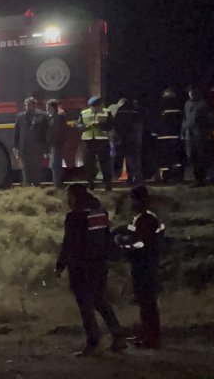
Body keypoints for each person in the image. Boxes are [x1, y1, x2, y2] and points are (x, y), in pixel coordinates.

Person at [56, 184, 125, 357]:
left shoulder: (74, 217)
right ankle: (118, 336)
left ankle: (93, 343)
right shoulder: (100, 212)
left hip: (81, 266)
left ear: (75, 198)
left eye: (69, 197)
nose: (67, 201)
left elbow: (70, 244)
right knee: (99, 300)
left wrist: (60, 264)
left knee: (85, 305)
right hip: (99, 265)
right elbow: (107, 238)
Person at [114, 186, 165, 348]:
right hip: (146, 263)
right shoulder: (145, 217)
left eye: (133, 199)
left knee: (147, 302)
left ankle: (151, 337)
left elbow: (141, 243)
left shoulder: (147, 219)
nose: (131, 202)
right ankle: (147, 333)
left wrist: (123, 245)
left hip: (145, 265)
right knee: (145, 302)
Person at [181, 85, 214, 186]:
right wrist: (183, 132)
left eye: (193, 91)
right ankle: (196, 178)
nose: (191, 93)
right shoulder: (187, 104)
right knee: (192, 157)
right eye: (189, 92)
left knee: (201, 157)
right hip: (189, 136)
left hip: (200, 135)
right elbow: (185, 119)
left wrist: (209, 131)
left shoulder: (204, 104)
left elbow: (212, 118)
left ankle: (202, 179)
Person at [77, 96, 114, 191]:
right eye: (93, 107)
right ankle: (90, 183)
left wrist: (100, 125)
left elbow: (110, 125)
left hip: (102, 141)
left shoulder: (107, 112)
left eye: (98, 106)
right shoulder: (84, 113)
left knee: (105, 164)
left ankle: (108, 184)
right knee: (89, 164)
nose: (96, 109)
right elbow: (78, 125)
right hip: (88, 141)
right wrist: (86, 126)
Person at [12, 97, 51, 186]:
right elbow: (16, 132)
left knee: (37, 167)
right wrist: (15, 146)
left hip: (38, 146)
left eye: (29, 105)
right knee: (26, 168)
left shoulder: (42, 116)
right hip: (24, 147)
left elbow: (47, 132)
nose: (27, 107)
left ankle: (37, 184)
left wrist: (46, 147)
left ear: (34, 105)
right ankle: (28, 185)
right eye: (25, 105)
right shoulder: (20, 117)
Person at [112, 97, 146, 185]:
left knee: (127, 158)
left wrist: (118, 137)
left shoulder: (121, 110)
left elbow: (116, 125)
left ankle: (130, 178)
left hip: (124, 139)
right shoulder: (137, 110)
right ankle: (138, 177)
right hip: (135, 139)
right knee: (136, 159)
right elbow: (140, 124)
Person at [156, 87, 185, 181]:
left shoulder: (160, 104)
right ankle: (178, 176)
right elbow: (182, 120)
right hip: (175, 134)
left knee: (164, 157)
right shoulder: (179, 104)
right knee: (176, 156)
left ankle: (165, 177)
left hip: (162, 135)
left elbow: (156, 119)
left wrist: (155, 132)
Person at [47, 99, 75, 188]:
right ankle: (57, 183)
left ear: (53, 108)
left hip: (57, 144)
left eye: (48, 107)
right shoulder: (53, 117)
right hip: (55, 144)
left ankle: (58, 184)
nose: (47, 109)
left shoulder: (58, 118)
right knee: (54, 164)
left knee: (55, 164)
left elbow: (58, 132)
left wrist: (52, 141)